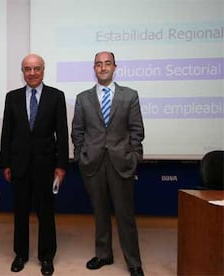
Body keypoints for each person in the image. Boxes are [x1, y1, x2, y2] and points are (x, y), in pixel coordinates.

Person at [71, 51, 145, 276]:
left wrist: (134, 157)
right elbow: (77, 131)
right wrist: (81, 155)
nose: (102, 68)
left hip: (121, 162)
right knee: (100, 212)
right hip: (92, 163)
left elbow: (136, 130)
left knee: (125, 215)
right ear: (94, 68)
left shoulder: (129, 95)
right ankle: (104, 254)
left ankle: (133, 262)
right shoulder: (83, 98)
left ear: (115, 67)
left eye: (107, 64)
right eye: (98, 64)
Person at [0, 54, 69, 276]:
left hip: (46, 167)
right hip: (19, 165)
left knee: (46, 213)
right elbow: (6, 133)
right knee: (20, 213)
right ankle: (20, 255)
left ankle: (46, 257)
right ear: (22, 71)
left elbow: (61, 132)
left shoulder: (56, 97)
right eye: (27, 69)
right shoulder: (12, 97)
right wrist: (6, 163)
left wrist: (61, 166)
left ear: (43, 70)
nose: (32, 73)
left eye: (36, 68)